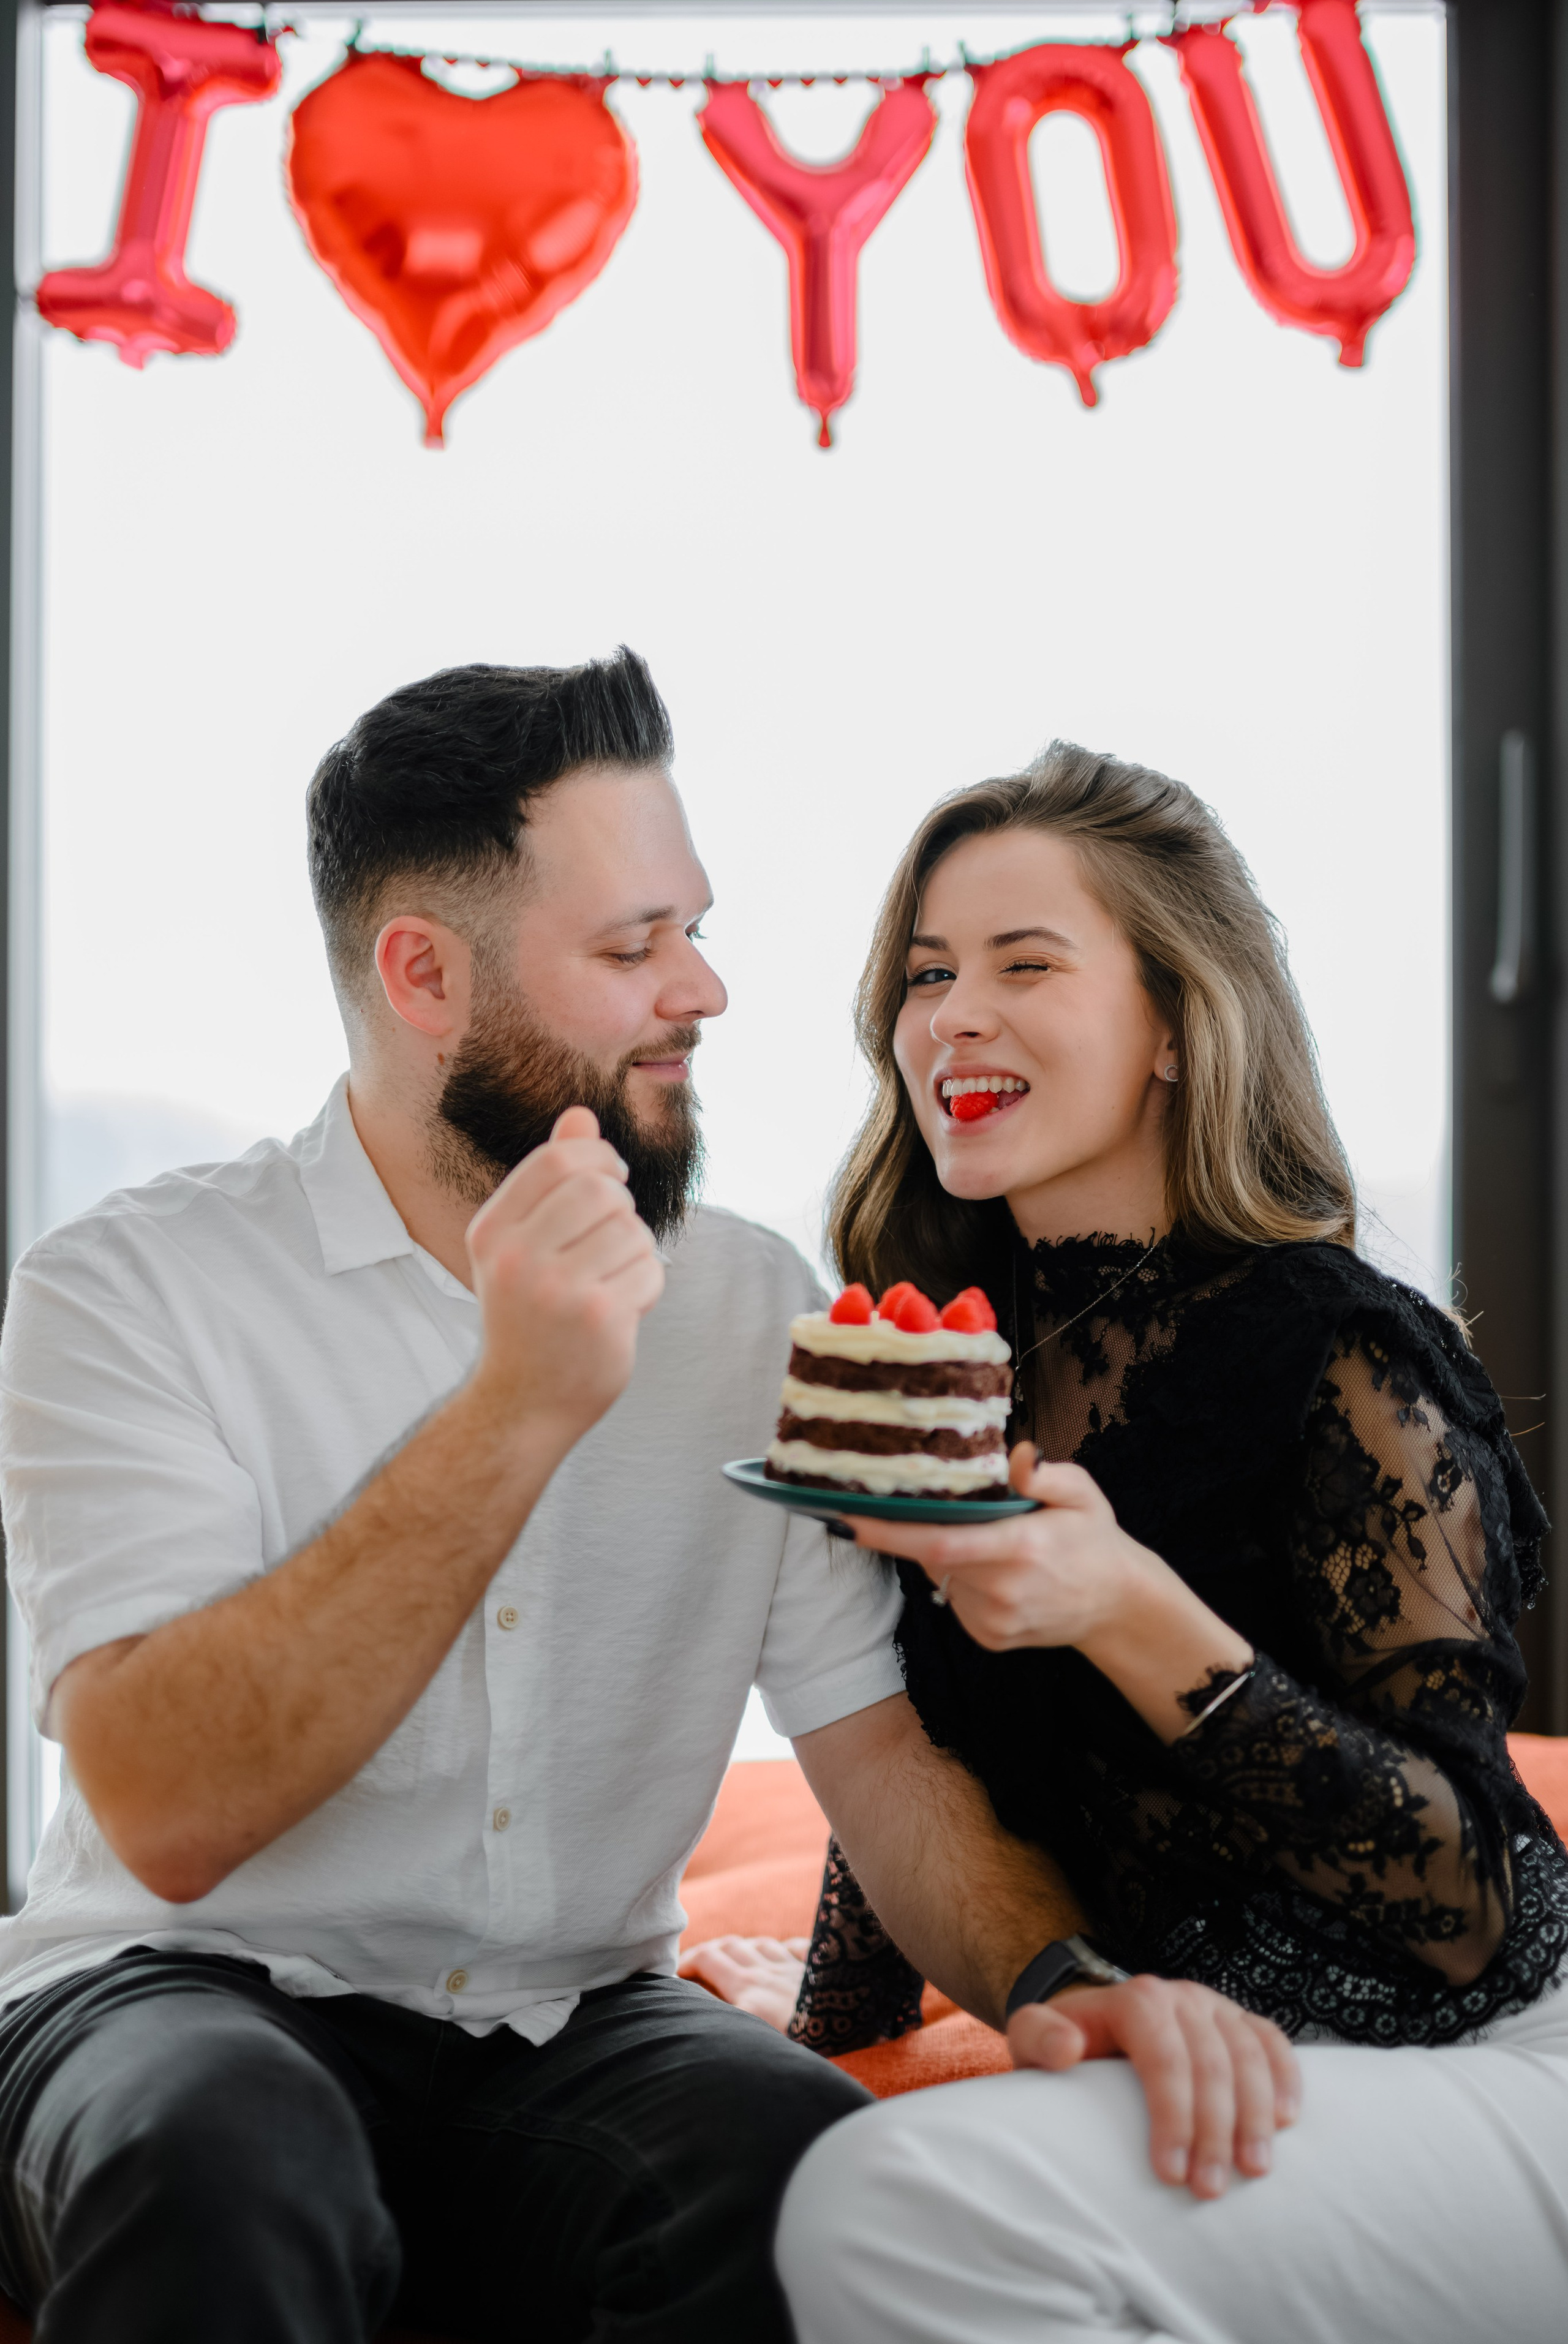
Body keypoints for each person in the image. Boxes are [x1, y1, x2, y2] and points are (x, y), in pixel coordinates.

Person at [0, 661, 1287, 2344]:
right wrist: (515, 1407)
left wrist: (1062, 1980)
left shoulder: (750, 1307)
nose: (705, 991)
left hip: (572, 2023)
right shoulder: (126, 1289)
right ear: (424, 976)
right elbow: (168, 1812)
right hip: (176, 1999)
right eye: (633, 949)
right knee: (231, 2155)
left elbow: (881, 1763)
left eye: (697, 930)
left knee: (810, 2174)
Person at [750, 742, 1568, 2344]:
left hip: (1490, 2059)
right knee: (798, 2176)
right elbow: (916, 1741)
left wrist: (1129, 1609)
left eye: (1024, 964)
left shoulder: (1344, 1353)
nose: (952, 1016)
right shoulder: (954, 1363)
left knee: (889, 2207)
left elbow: (1478, 1907)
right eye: (926, 974)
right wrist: (820, 2038)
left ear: (1180, 1026)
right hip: (1230, 2074)